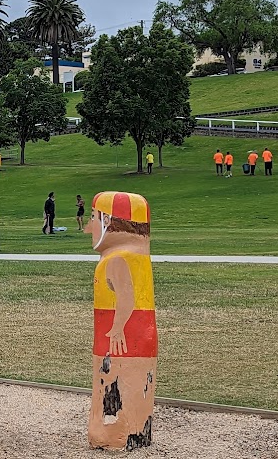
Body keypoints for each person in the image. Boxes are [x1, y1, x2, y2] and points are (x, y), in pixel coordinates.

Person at [85, 191, 157, 451]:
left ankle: (113, 434)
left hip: (121, 341)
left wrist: (116, 329)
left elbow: (126, 297)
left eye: (94, 218)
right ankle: (130, 432)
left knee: (112, 384)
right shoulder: (131, 257)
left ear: (109, 222)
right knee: (115, 384)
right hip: (129, 338)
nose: (87, 227)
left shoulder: (117, 260)